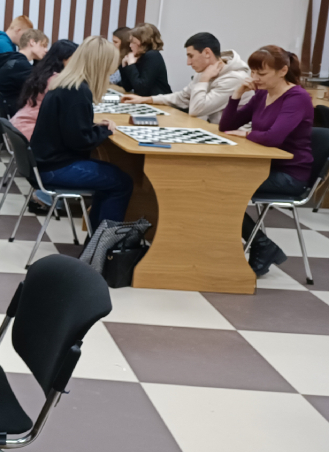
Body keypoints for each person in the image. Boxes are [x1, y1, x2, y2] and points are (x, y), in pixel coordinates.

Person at [219, 45, 314, 276]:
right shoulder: (262, 94)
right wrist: (237, 93)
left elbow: (273, 137)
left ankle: (261, 245)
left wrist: (247, 134)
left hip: (290, 175)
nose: (255, 78)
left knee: (223, 189)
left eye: (261, 73)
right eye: (252, 72)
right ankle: (262, 245)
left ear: (283, 71)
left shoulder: (297, 97)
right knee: (213, 183)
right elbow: (227, 126)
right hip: (263, 167)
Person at [31, 36, 133, 230]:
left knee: (112, 177)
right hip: (55, 167)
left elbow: (72, 129)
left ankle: (97, 238)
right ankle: (103, 242)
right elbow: (80, 141)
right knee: (121, 182)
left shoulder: (67, 84)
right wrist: (104, 130)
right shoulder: (77, 92)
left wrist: (94, 127)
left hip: (44, 162)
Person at [122, 32, 251, 123]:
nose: (188, 63)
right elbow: (183, 97)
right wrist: (145, 99)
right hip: (211, 129)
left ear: (207, 53)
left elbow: (196, 110)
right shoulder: (204, 71)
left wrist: (204, 80)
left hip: (235, 139)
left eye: (191, 56)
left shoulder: (235, 79)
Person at [11, 39, 78, 140]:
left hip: (19, 127)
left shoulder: (42, 74)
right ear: (64, 59)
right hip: (32, 133)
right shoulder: (56, 81)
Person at [0, 28, 49, 116]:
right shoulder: (21, 66)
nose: (46, 50)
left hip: (7, 109)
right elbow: (41, 87)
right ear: (32, 42)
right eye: (43, 46)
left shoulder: (12, 60)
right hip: (15, 113)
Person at [118, 23, 171, 97]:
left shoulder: (153, 55)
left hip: (159, 101)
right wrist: (124, 66)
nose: (130, 45)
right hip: (147, 100)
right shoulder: (140, 56)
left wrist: (131, 65)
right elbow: (127, 87)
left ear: (143, 43)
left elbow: (141, 89)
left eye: (133, 42)